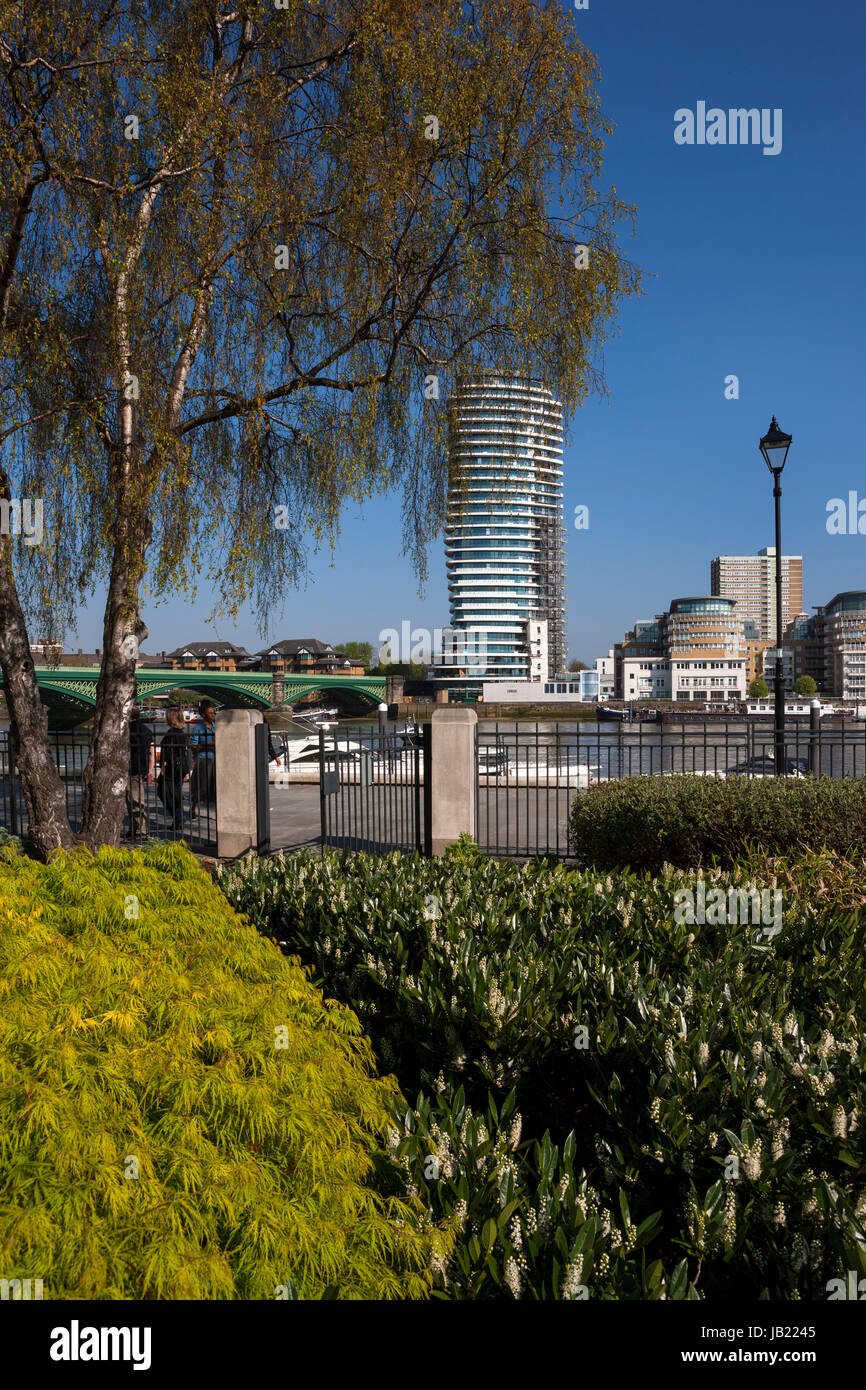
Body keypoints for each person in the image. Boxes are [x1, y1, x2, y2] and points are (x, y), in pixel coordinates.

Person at [158, 707, 193, 830]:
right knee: (176, 793)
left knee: (165, 793)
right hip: (180, 768)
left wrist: (163, 765)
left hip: (171, 768)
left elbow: (167, 752)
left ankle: (178, 818)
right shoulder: (182, 734)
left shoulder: (171, 733)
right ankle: (178, 818)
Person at [127, 706, 155, 840]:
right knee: (136, 799)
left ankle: (141, 830)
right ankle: (135, 828)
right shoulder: (147, 730)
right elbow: (151, 752)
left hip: (131, 767)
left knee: (134, 800)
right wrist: (150, 769)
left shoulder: (127, 730)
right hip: (142, 766)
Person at [189, 698, 216, 816]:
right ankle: (193, 807)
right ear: (204, 715)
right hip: (203, 760)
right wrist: (207, 746)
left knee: (215, 786)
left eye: (213, 713)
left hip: (215, 760)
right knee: (201, 786)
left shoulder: (216, 727)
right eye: (210, 713)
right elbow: (193, 746)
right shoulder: (198, 728)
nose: (212, 715)